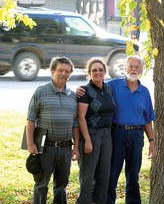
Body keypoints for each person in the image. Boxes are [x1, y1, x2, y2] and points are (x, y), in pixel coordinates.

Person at [77, 55, 156, 203]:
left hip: (137, 135)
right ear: (125, 69)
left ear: (141, 70)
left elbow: (147, 119)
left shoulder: (144, 92)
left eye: (136, 67)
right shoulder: (112, 85)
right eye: (130, 66)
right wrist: (78, 91)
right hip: (117, 133)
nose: (133, 69)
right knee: (111, 173)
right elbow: (95, 83)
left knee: (133, 175)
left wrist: (151, 140)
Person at [26, 57, 80, 203]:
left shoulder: (73, 96)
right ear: (52, 72)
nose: (64, 73)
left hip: (66, 147)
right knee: (42, 184)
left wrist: (76, 147)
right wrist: (30, 144)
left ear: (70, 74)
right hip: (45, 147)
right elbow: (31, 119)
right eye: (60, 70)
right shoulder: (41, 92)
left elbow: (75, 123)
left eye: (67, 71)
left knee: (62, 185)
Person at [77, 59, 115, 204]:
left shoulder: (109, 89)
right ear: (89, 73)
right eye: (94, 70)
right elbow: (80, 117)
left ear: (105, 72)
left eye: (100, 70)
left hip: (107, 135)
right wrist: (86, 139)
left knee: (104, 175)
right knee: (87, 176)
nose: (98, 72)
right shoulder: (84, 91)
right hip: (91, 134)